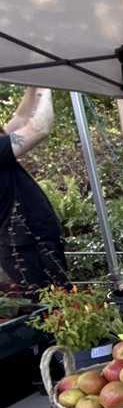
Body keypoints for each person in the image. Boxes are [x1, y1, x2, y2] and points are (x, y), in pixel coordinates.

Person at [0, 86, 69, 291]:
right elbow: (39, 128)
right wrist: (44, 84)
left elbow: (22, 119)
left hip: (25, 243)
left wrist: (32, 83)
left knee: (56, 303)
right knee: (52, 304)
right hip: (27, 246)